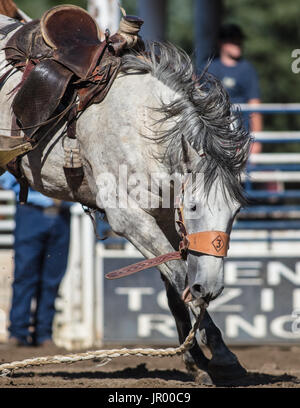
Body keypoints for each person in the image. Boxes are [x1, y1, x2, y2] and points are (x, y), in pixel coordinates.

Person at [0, 172, 71, 347]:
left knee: (52, 278)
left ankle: (44, 333)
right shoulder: (29, 149)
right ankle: (18, 332)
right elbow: (6, 177)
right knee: (25, 275)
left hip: (61, 215)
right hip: (31, 211)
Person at [208, 23, 263, 154]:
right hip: (216, 133)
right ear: (221, 43)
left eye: (239, 40)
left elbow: (254, 105)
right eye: (233, 40)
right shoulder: (210, 67)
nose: (238, 43)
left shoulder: (247, 69)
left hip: (241, 133)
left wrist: (257, 141)